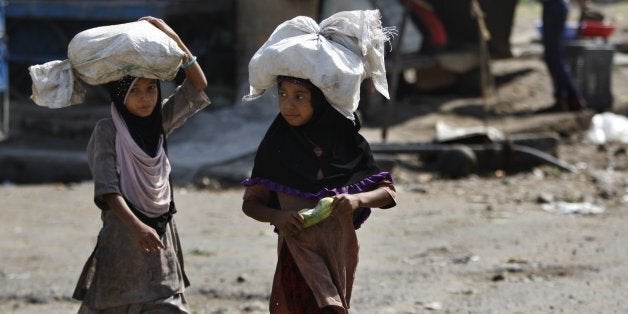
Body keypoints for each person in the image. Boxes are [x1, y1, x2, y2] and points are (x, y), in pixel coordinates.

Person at [241, 11, 398, 313]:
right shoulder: (277, 144)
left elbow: (388, 193)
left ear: (321, 100)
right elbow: (251, 203)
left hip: (338, 254)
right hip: (297, 256)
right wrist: (278, 217)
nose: (288, 104)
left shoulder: (347, 143)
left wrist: (355, 201)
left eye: (300, 96)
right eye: (283, 94)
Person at [72, 16, 209, 313]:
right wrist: (136, 228)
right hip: (123, 232)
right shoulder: (106, 131)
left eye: (150, 89)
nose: (145, 98)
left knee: (166, 301)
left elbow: (197, 85)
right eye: (134, 91)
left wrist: (173, 38)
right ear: (120, 96)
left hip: (160, 230)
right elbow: (108, 190)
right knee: (114, 302)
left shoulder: (160, 121)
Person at [538, 0, 603, 112]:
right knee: (553, 56)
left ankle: (571, 98)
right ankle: (567, 98)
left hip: (554, 7)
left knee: (553, 56)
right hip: (553, 7)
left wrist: (583, 5)